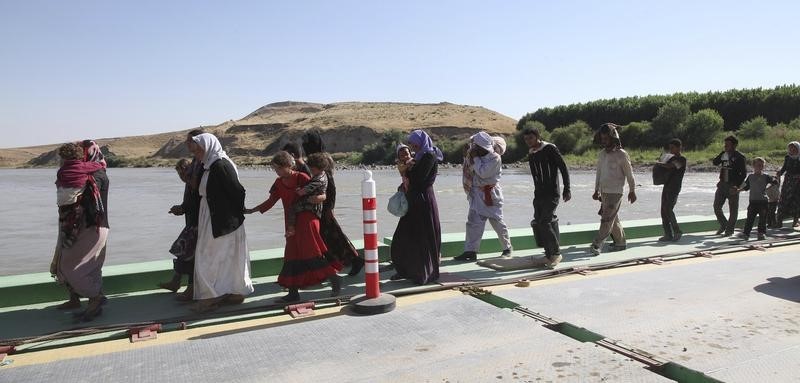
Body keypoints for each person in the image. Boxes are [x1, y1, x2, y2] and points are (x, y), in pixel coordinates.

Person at [245, 151, 341, 302]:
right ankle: (293, 292)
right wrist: (252, 210)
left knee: (312, 252)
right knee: (291, 255)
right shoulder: (278, 182)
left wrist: (321, 201)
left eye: (278, 168)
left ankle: (335, 280)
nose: (276, 172)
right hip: (290, 222)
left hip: (306, 219)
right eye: (274, 169)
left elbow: (321, 194)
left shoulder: (301, 177)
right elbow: (271, 201)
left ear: (288, 166)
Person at [189, 133, 253, 312]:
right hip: (213, 217)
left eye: (198, 150)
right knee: (221, 258)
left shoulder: (221, 165)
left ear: (208, 147)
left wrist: (233, 215)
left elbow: (238, 192)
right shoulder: (209, 165)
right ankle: (231, 292)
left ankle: (210, 297)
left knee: (209, 257)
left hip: (222, 220)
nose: (196, 154)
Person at [51, 141, 109, 321]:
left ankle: (95, 298)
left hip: (90, 227)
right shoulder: (77, 173)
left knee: (73, 268)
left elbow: (83, 202)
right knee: (62, 262)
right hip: (73, 225)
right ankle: (75, 299)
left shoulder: (97, 175)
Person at [301, 130, 364, 276]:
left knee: (334, 237)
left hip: (324, 206)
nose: (305, 147)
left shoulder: (321, 159)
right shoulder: (317, 158)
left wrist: (329, 208)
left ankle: (354, 260)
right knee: (330, 237)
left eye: (307, 144)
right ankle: (341, 263)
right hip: (321, 205)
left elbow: (331, 186)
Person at [389, 130, 442, 284]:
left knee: (422, 238)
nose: (412, 146)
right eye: (411, 143)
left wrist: (406, 170)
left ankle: (423, 273)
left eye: (414, 143)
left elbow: (419, 179)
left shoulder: (429, 156)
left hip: (423, 201)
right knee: (403, 238)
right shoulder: (418, 158)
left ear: (421, 142)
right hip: (413, 201)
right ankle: (405, 270)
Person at [454, 131, 512, 261]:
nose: (473, 148)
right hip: (476, 194)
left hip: (490, 194)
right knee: (473, 223)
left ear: (483, 147)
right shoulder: (475, 156)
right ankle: (470, 251)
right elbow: (468, 168)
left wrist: (474, 158)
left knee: (497, 222)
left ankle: (507, 248)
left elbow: (482, 173)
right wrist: (466, 156)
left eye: (476, 147)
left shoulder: (495, 158)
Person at [159, 134, 203, 300]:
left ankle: (190, 288)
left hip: (199, 225)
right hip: (191, 224)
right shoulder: (189, 184)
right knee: (181, 251)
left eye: (184, 174)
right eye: (180, 175)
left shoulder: (196, 183)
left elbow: (198, 203)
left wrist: (182, 208)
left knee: (192, 256)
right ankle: (176, 282)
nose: (183, 178)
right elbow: (188, 204)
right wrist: (180, 209)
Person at [522, 127, 571, 267]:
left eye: (530, 138)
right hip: (539, 194)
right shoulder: (532, 153)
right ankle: (548, 254)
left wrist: (567, 189)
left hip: (551, 193)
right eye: (526, 139)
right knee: (538, 222)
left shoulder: (549, 148)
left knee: (545, 221)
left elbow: (563, 167)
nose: (528, 141)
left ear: (537, 136)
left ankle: (556, 254)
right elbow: (535, 176)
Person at [590, 123, 636, 256]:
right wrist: (596, 189)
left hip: (615, 192)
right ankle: (621, 243)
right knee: (612, 218)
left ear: (613, 138)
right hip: (604, 192)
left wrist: (632, 190)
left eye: (606, 139)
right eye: (602, 139)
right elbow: (599, 172)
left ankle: (597, 245)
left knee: (606, 219)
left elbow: (629, 174)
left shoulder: (622, 154)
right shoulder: (602, 154)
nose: (604, 142)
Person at [712, 135, 747, 236]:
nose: (725, 146)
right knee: (716, 206)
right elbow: (715, 162)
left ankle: (729, 230)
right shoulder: (724, 154)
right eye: (725, 145)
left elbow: (743, 174)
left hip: (733, 185)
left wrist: (736, 186)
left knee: (733, 209)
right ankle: (724, 224)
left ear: (734, 145)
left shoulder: (740, 157)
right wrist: (722, 154)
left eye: (728, 145)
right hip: (722, 184)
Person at [736, 157, 778, 241]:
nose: (760, 167)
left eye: (762, 165)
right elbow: (746, 187)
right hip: (753, 201)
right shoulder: (750, 177)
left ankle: (761, 234)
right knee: (750, 219)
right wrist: (738, 190)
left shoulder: (766, 176)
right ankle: (746, 234)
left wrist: (769, 186)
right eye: (758, 165)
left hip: (763, 201)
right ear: (753, 166)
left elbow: (775, 182)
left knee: (762, 219)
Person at [288, 152, 329, 237]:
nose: (310, 170)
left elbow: (305, 190)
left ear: (319, 168)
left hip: (312, 205)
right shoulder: (322, 174)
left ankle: (291, 229)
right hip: (315, 202)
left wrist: (297, 190)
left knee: (292, 208)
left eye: (312, 169)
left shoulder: (318, 180)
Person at [655, 139, 687, 242]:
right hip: (667, 186)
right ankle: (668, 234)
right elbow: (665, 165)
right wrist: (661, 161)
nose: (670, 149)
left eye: (672, 147)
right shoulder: (670, 158)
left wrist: (659, 163)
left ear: (679, 147)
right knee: (663, 211)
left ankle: (677, 231)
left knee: (668, 209)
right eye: (670, 148)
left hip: (674, 187)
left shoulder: (682, 159)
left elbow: (670, 166)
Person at [775, 141, 800, 229]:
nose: (792, 150)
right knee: (783, 200)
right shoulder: (787, 158)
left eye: (794, 148)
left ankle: (795, 221)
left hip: (798, 184)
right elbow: (784, 168)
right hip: (788, 182)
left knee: (796, 201)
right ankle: (779, 221)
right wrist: (779, 173)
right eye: (791, 148)